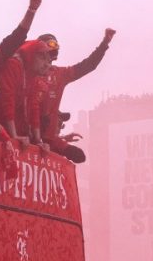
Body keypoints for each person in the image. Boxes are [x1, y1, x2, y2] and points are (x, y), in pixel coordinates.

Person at [37, 28, 116, 163]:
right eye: (43, 54)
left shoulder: (59, 74)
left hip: (48, 140)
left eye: (52, 53)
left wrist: (104, 44)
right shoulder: (24, 71)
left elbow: (87, 66)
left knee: (78, 156)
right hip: (26, 135)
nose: (47, 60)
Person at [0, 40, 52, 147]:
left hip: (7, 130)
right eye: (42, 58)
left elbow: (34, 108)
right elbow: (7, 98)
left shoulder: (32, 76)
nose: (46, 65)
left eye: (48, 61)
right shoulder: (14, 64)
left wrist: (38, 141)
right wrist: (14, 135)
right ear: (31, 54)